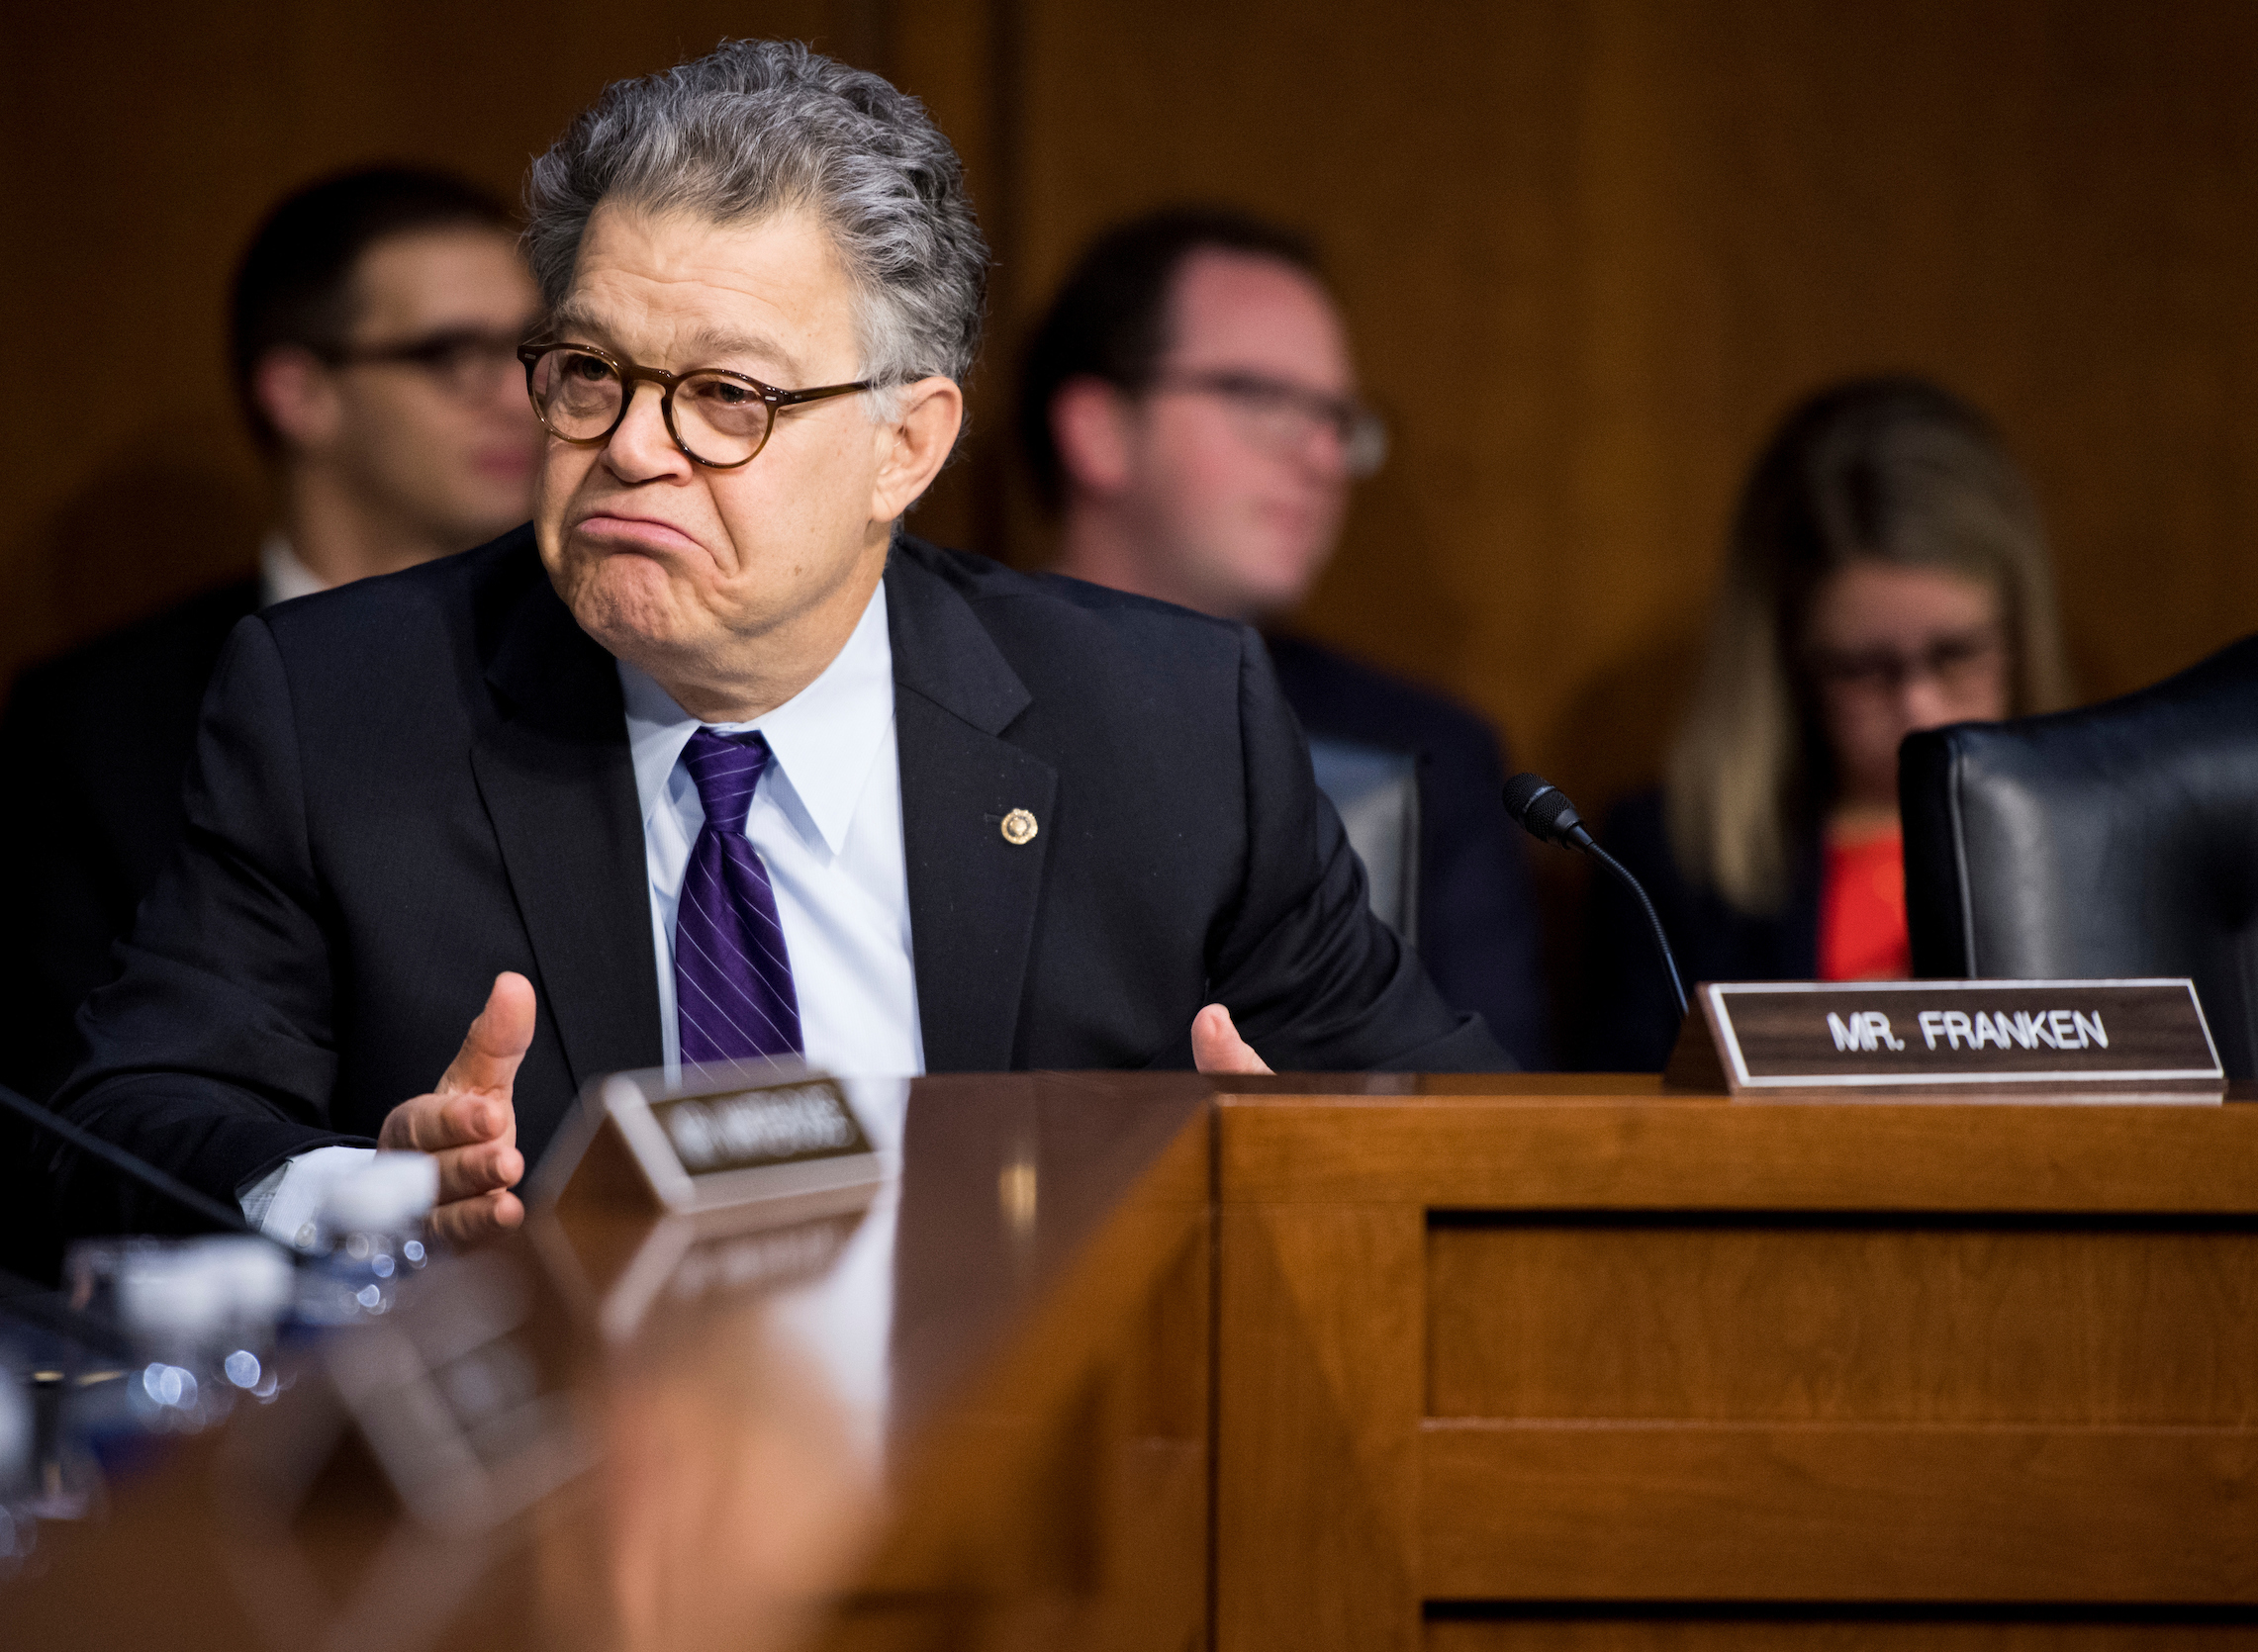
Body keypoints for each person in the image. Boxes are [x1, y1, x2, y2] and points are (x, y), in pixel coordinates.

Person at [49, 41, 1507, 1248]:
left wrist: (1322, 1164)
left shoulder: (1165, 724)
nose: (632, 449)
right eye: (589, 373)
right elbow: (119, 1124)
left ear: (906, 443)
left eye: (728, 398)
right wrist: (367, 1192)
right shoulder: (343, 707)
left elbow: (1478, 1140)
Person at [0, 166, 543, 1104]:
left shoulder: (610, 656)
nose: (519, 397)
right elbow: (73, 1106)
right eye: (456, 354)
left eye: (535, 349)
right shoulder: (92, 724)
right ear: (299, 392)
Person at [1018, 209, 1551, 1067]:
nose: (1323, 457)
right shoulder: (916, 700)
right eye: (1264, 400)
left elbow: (1492, 1110)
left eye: (1338, 419)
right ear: (1099, 429)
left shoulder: (1429, 754)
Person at [1571, 376, 2072, 1069]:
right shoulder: (1666, 862)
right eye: (1865, 668)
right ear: (1787, 660)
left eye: (1956, 655)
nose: (1919, 706)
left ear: (2022, 630)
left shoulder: (2098, 842)